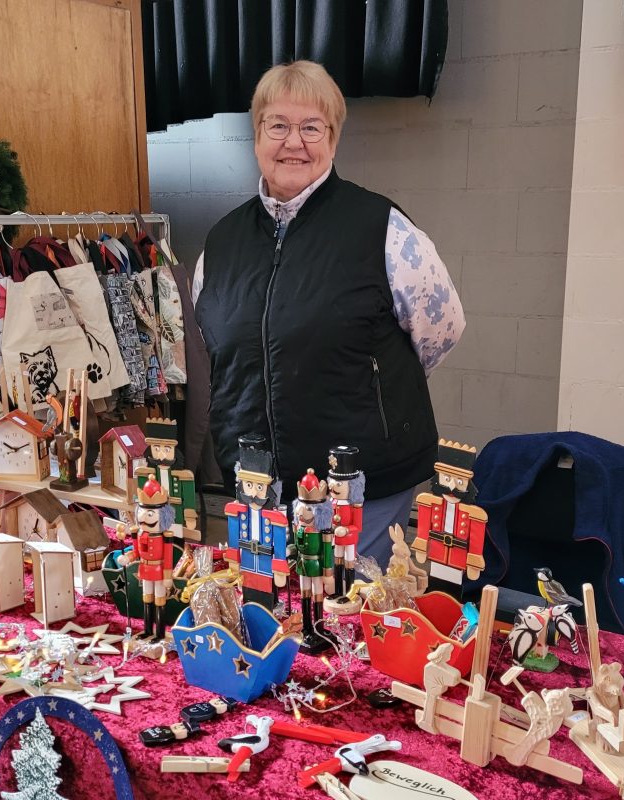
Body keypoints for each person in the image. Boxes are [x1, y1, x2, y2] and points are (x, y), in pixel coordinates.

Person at [193, 61, 465, 568]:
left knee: (350, 629)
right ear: (256, 137)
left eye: (311, 127)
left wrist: (371, 386)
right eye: (277, 125)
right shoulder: (221, 243)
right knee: (264, 617)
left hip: (362, 490)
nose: (293, 141)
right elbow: (218, 344)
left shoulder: (384, 229)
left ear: (334, 139)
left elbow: (441, 331)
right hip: (257, 486)